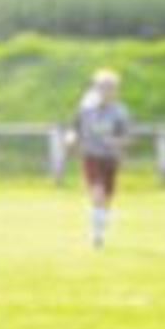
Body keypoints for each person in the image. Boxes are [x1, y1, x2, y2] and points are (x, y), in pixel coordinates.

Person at [65, 69, 131, 248]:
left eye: (110, 87)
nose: (106, 91)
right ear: (95, 88)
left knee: (106, 198)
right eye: (102, 87)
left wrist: (117, 142)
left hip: (110, 158)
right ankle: (96, 236)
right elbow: (74, 127)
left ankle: (100, 229)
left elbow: (127, 138)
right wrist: (71, 139)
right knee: (97, 193)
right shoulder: (86, 109)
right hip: (91, 155)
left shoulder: (120, 112)